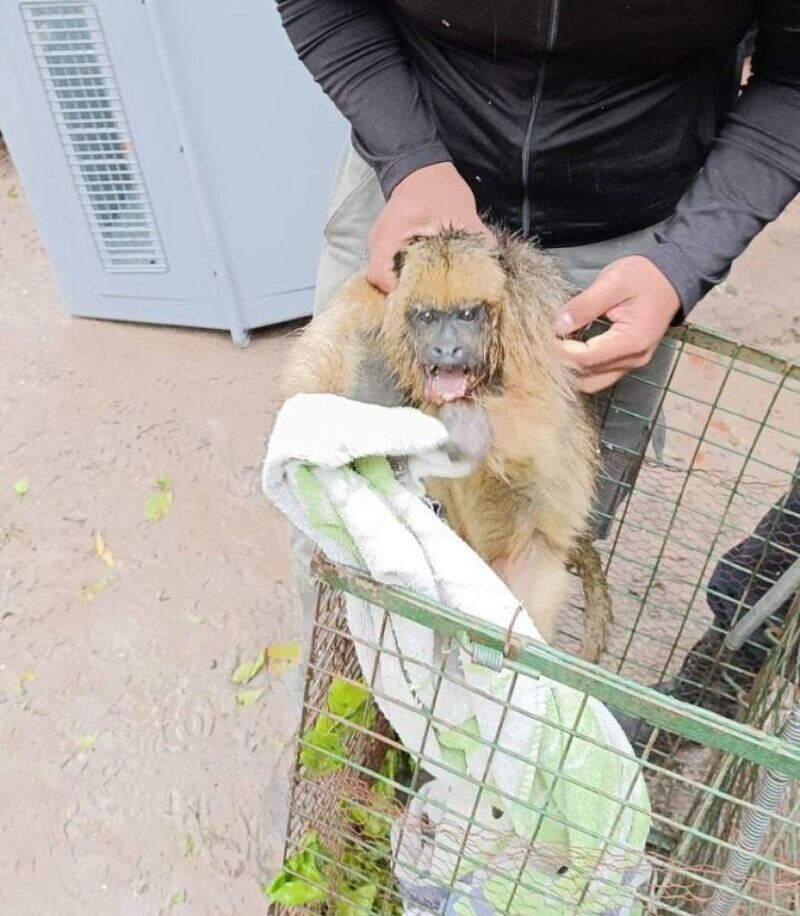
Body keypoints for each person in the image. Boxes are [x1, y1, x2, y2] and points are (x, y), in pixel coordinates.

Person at [275, 2, 800, 639]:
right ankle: (356, 727)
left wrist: (684, 262)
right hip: (412, 194)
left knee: (530, 553)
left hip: (626, 230)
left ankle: (484, 725)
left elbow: (792, 80)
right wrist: (408, 155)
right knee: (341, 527)